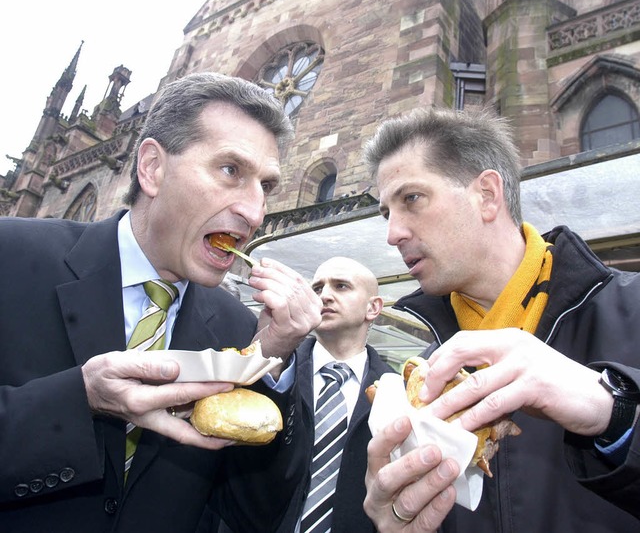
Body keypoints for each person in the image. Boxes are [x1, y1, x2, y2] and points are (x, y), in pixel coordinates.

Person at [0, 72, 322, 532]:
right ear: (151, 168)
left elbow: (255, 513)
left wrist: (272, 358)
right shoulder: (10, 254)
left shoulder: (237, 328)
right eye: (231, 171)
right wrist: (80, 400)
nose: (255, 213)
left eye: (265, 187)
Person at [360, 107, 640, 532]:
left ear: (487, 195)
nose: (392, 233)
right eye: (386, 213)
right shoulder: (423, 374)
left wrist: (617, 414)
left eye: (411, 199)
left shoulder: (632, 307)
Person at [217, 256, 395, 533]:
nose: (325, 295)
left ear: (373, 307)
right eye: (317, 288)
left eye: (341, 286)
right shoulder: (272, 370)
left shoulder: (397, 391)